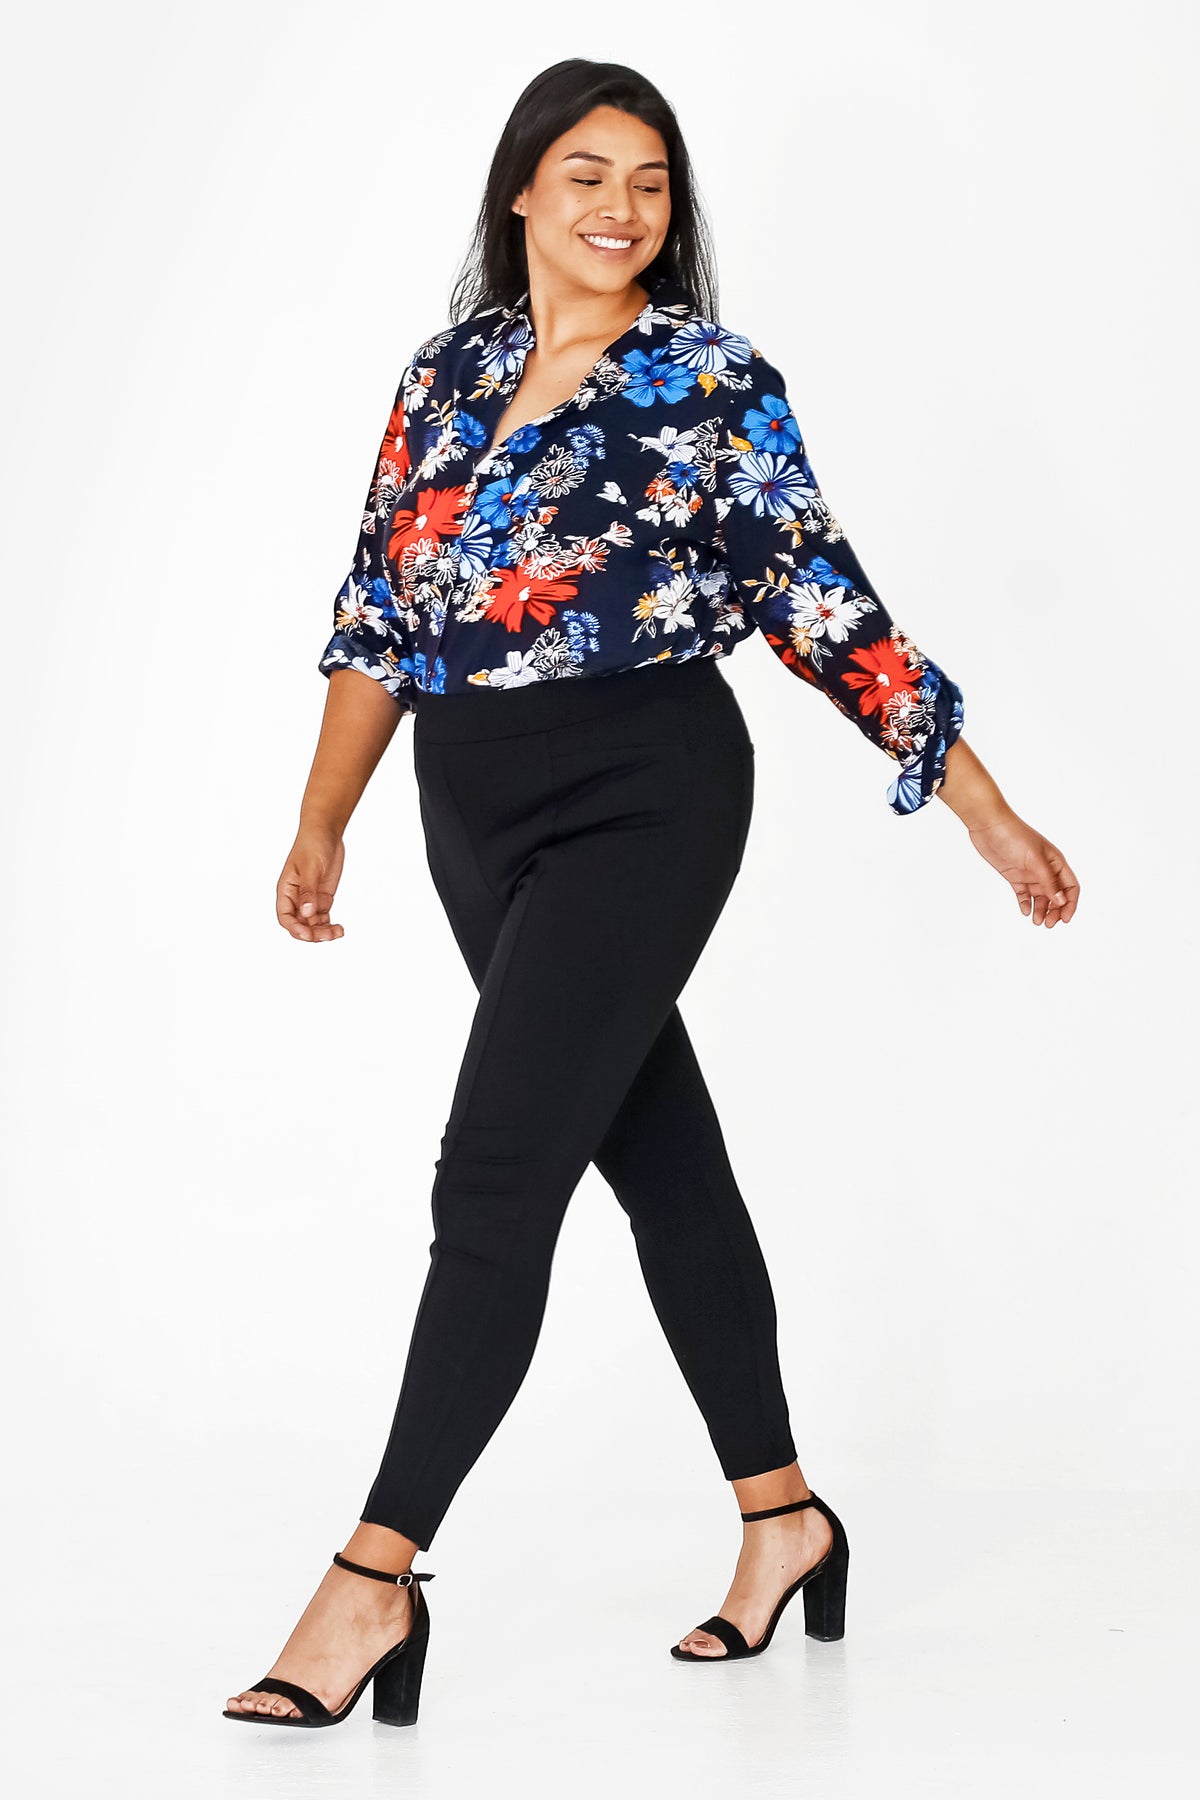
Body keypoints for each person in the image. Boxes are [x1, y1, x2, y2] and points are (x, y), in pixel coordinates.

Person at [224, 59, 1080, 1729]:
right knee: (657, 1155)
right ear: (522, 191)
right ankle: (786, 1518)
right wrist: (322, 819)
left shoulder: (711, 379)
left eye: (652, 182)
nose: (623, 208)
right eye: (588, 174)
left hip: (649, 788)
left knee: (497, 1175)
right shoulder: (447, 373)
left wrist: (979, 804)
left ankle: (373, 1577)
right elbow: (380, 610)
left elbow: (823, 600)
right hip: (469, 801)